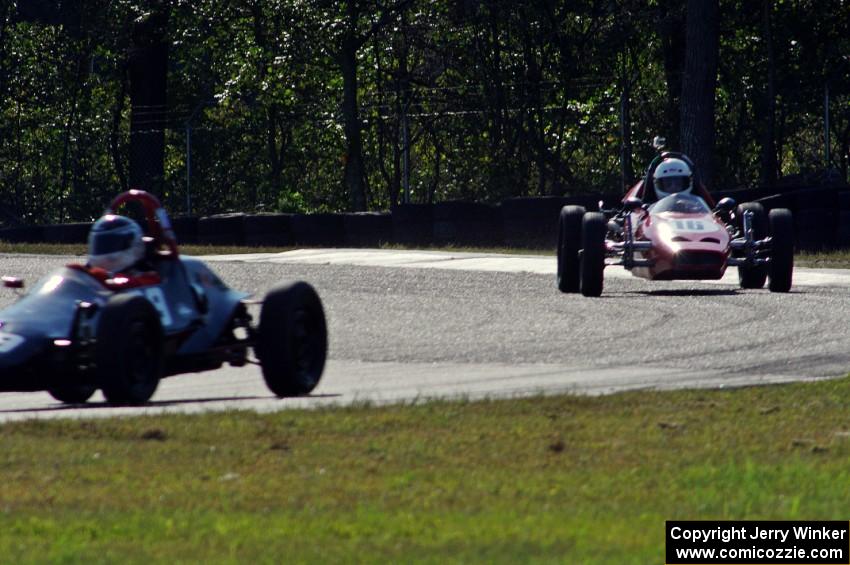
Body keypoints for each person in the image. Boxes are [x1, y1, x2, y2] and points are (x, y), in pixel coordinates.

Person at [81, 214, 160, 288]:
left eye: (112, 245)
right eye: (102, 244)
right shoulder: (94, 275)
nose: (106, 249)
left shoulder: (146, 280)